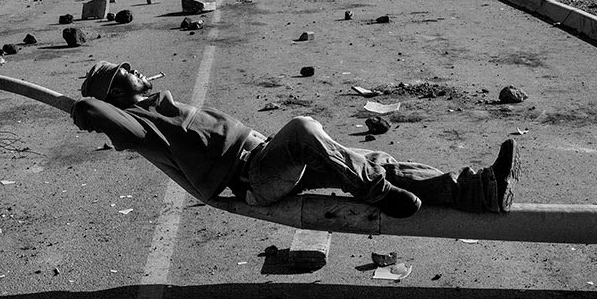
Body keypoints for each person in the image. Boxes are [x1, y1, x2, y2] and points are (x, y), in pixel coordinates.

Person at [72, 61, 520, 218]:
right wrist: (85, 107)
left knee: (376, 156)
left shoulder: (161, 104)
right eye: (122, 72)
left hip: (269, 160)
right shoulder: (142, 124)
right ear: (115, 93)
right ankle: (376, 192)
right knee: (304, 127)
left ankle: (482, 190)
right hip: (256, 179)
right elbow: (97, 115)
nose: (134, 70)